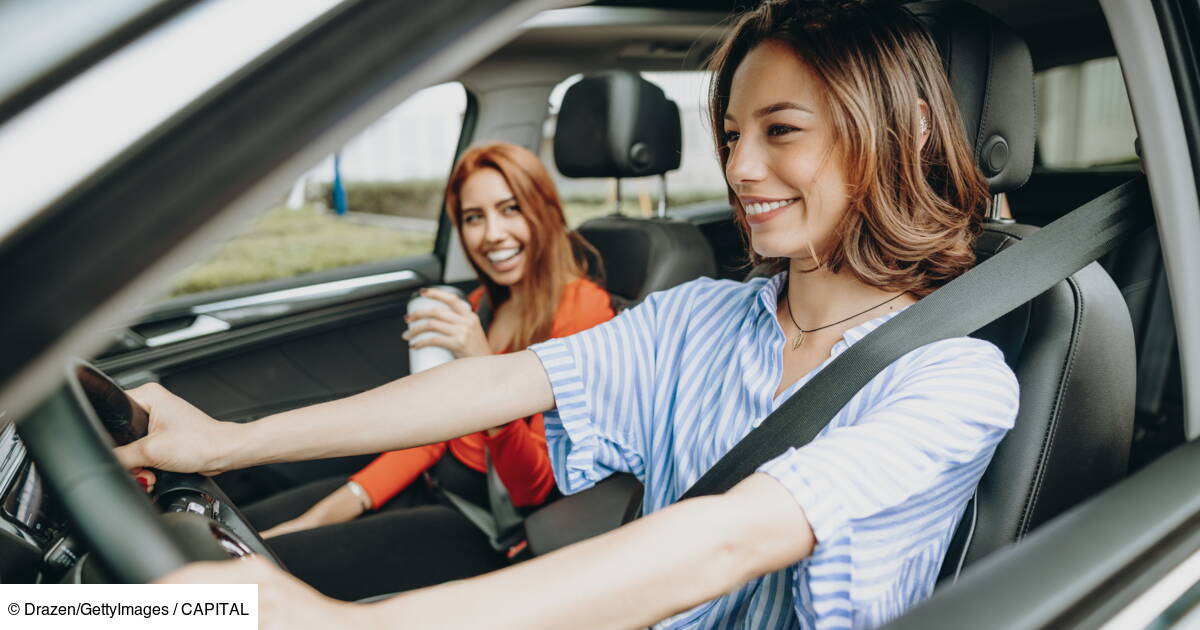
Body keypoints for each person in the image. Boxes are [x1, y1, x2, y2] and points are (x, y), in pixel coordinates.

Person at [119, 1, 1019, 628]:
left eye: (781, 131)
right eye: (734, 135)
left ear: (884, 143)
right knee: (104, 614)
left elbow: (733, 537)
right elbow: (498, 383)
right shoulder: (701, 318)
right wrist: (224, 444)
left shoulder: (955, 380)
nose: (741, 169)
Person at [230, 141, 615, 600]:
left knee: (256, 583)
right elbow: (431, 436)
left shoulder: (585, 311)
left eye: (510, 209)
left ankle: (139, 616)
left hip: (483, 526)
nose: (492, 233)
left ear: (545, 209)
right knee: (242, 528)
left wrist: (482, 366)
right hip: (430, 487)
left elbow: (531, 490)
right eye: (474, 218)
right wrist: (339, 507)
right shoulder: (485, 304)